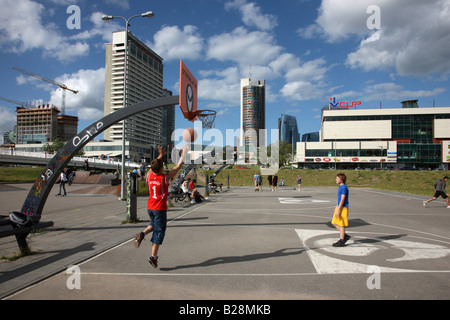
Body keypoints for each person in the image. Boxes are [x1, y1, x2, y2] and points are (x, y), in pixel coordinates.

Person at [134, 145, 188, 268]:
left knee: (153, 224)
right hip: (159, 208)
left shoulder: (149, 175)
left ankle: (142, 234)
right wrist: (183, 153)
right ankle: (153, 257)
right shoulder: (164, 178)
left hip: (150, 207)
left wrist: (160, 155)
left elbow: (154, 165)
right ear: (161, 168)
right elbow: (178, 167)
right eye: (162, 166)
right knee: (159, 231)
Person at [332, 173, 351, 247]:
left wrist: (338, 210)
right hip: (339, 207)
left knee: (341, 224)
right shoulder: (341, 187)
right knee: (334, 222)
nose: (336, 180)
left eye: (337, 178)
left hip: (343, 208)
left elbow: (343, 199)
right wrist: (336, 207)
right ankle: (344, 235)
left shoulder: (344, 188)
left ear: (341, 179)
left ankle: (342, 240)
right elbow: (340, 199)